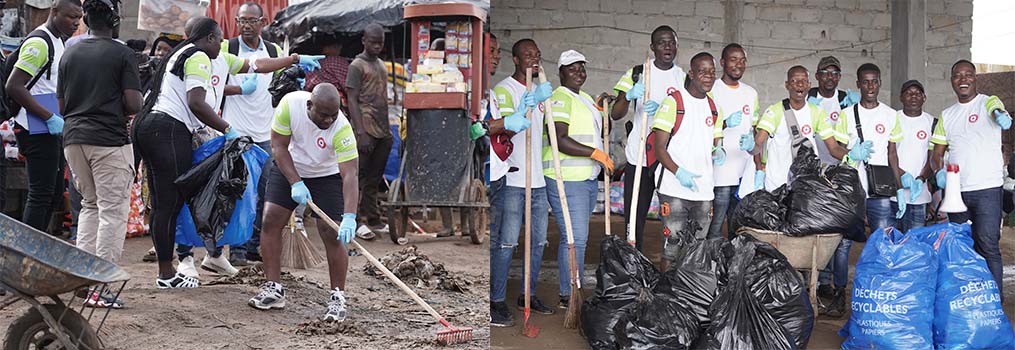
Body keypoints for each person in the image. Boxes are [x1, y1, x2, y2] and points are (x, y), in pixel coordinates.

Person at [132, 16, 322, 289]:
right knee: (168, 203)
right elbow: (196, 103)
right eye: (219, 38)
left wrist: (293, 59)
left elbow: (256, 65)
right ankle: (166, 273)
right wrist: (227, 128)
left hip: (158, 128)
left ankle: (188, 262)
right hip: (167, 130)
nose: (222, 43)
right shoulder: (197, 56)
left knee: (169, 201)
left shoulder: (208, 56)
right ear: (208, 38)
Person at [248, 84, 359, 322]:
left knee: (331, 232)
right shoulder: (290, 105)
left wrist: (350, 215)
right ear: (310, 105)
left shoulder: (342, 128)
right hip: (290, 165)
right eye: (323, 114)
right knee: (270, 220)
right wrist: (296, 182)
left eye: (333, 115)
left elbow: (350, 174)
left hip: (327, 174)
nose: (329, 120)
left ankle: (337, 297)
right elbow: (278, 146)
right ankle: (273, 288)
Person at [58, 0, 140, 309]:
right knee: (112, 211)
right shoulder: (122, 53)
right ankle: (100, 286)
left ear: (87, 21)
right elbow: (134, 104)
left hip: (74, 139)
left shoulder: (70, 52)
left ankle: (83, 282)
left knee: (90, 207)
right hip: (108, 141)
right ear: (115, 21)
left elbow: (63, 107)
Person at [817, 63, 895, 318]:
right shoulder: (846, 115)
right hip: (851, 190)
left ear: (880, 82)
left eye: (875, 81)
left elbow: (893, 154)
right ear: (858, 84)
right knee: (842, 245)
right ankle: (839, 293)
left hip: (880, 192)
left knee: (882, 243)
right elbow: (836, 148)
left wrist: (900, 187)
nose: (870, 86)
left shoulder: (891, 115)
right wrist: (852, 155)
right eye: (865, 81)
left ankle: (879, 294)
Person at [931, 59, 1011, 298]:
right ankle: (967, 300)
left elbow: (997, 109)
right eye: (957, 75)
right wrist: (939, 172)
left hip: (987, 189)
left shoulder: (988, 102)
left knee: (987, 246)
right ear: (952, 81)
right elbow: (937, 153)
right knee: (962, 248)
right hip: (957, 193)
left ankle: (993, 302)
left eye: (968, 74)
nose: (963, 79)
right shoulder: (947, 115)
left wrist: (1000, 114)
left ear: (975, 78)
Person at [488, 38, 552, 327]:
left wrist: (541, 100)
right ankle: (496, 300)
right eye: (527, 55)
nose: (533, 59)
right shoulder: (503, 90)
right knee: (508, 242)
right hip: (513, 178)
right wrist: (519, 113)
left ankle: (527, 295)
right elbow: (500, 134)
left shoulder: (542, 91)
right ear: (515, 59)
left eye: (537, 54)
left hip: (538, 180)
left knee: (538, 242)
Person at [218, 1, 286, 266]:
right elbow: (210, 88)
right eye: (241, 20)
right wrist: (238, 90)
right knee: (239, 191)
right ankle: (236, 249)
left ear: (263, 22)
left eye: (251, 20)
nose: (246, 25)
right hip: (236, 131)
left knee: (266, 191)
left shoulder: (274, 51)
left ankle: (254, 245)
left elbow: (281, 88)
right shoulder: (227, 48)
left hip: (266, 132)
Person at [5, 0, 81, 232]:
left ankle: (38, 243)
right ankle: (27, 249)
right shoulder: (39, 43)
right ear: (54, 12)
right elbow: (15, 86)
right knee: (41, 193)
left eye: (79, 18)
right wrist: (49, 117)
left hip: (50, 126)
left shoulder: (59, 41)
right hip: (35, 126)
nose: (75, 23)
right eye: (70, 17)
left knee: (55, 192)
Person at [545, 49, 613, 308]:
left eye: (582, 68)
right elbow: (559, 139)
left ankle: (574, 288)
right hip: (567, 177)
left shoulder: (583, 98)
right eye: (572, 69)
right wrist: (595, 153)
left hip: (585, 178)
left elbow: (602, 127)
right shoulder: (560, 97)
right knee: (575, 238)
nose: (578, 73)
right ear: (561, 72)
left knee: (579, 237)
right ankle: (568, 294)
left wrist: (604, 108)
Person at [610, 25, 685, 252]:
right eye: (661, 42)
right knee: (634, 217)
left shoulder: (682, 77)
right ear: (652, 47)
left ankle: (669, 266)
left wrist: (665, 108)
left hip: (668, 158)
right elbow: (616, 113)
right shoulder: (636, 73)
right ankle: (634, 264)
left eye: (671, 42)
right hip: (639, 156)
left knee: (673, 220)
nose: (667, 46)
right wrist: (630, 95)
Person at [650, 52, 724, 272]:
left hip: (703, 190)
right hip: (674, 189)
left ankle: (688, 298)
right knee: (671, 248)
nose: (708, 76)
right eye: (703, 71)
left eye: (712, 72)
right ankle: (666, 297)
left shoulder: (713, 106)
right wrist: (679, 172)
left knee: (697, 250)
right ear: (691, 74)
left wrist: (718, 148)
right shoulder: (674, 102)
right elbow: (659, 148)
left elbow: (715, 140)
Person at [739, 65, 844, 198]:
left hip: (805, 185)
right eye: (794, 81)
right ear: (787, 85)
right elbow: (757, 146)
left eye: (804, 81)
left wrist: (850, 156)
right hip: (777, 184)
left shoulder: (817, 112)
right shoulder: (775, 111)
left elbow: (833, 148)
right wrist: (750, 146)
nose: (799, 84)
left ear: (809, 85)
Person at [346, 23, 392, 240]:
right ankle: (354, 221)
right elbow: (351, 99)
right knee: (358, 176)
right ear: (364, 40)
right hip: (366, 128)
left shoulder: (381, 64)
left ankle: (373, 218)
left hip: (382, 129)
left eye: (380, 43)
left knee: (374, 178)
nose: (376, 46)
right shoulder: (357, 65)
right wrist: (360, 131)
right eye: (373, 42)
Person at [708, 43, 756, 238]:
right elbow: (701, 126)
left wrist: (753, 141)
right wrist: (725, 123)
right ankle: (712, 266)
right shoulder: (712, 90)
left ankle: (733, 267)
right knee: (716, 228)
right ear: (722, 62)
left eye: (742, 60)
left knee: (739, 229)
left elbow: (754, 127)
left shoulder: (751, 93)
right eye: (733, 59)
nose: (739, 64)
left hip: (743, 172)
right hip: (719, 173)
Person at [889, 80, 934, 232]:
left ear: (924, 98)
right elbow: (888, 153)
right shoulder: (892, 118)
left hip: (919, 196)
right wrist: (901, 175)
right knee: (892, 242)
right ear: (901, 98)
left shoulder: (932, 122)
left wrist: (921, 179)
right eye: (908, 93)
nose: (913, 97)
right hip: (893, 193)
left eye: (917, 93)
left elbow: (932, 157)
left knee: (914, 243)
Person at [806, 56, 859, 165]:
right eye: (825, 73)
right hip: (811, 162)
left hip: (838, 162)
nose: (830, 77)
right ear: (817, 76)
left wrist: (857, 107)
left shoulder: (844, 99)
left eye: (835, 73)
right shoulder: (808, 97)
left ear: (839, 77)